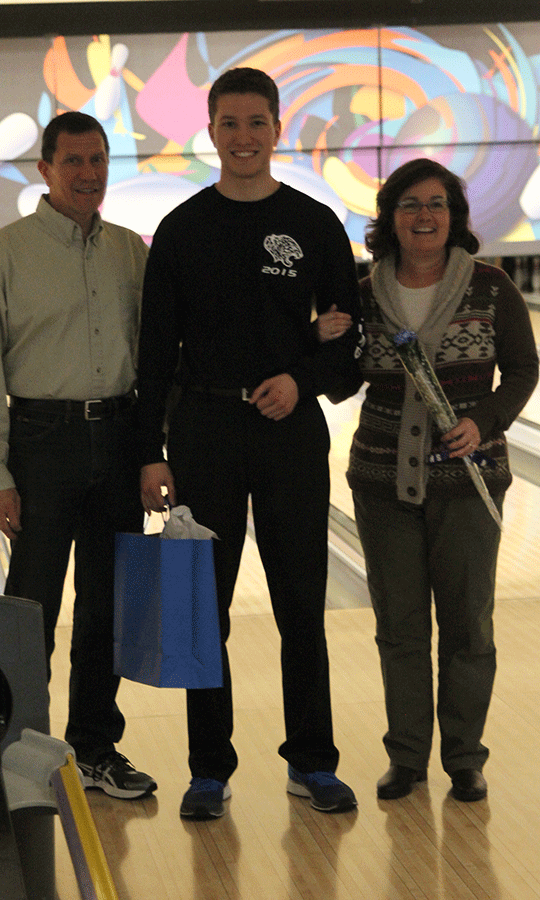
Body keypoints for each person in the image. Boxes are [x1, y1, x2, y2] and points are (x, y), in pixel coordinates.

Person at [136, 67, 363, 820]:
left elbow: (348, 340)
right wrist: (150, 449)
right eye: (229, 123)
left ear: (276, 128)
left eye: (256, 122)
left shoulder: (314, 223)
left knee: (302, 600)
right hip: (202, 430)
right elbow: (152, 354)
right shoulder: (181, 229)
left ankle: (312, 761)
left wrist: (302, 380)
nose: (243, 137)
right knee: (204, 606)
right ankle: (209, 769)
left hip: (288, 429)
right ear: (210, 132)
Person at [318, 158, 538, 801]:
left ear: (455, 217)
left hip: (469, 479)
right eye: (410, 204)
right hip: (383, 480)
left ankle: (465, 757)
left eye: (437, 204)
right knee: (401, 625)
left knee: (469, 624)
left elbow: (523, 371)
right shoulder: (364, 296)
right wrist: (324, 340)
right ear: (389, 217)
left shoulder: (493, 288)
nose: (424, 215)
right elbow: (338, 385)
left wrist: (486, 421)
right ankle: (408, 758)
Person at [0, 111, 157, 800]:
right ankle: (16, 747)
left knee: (108, 606)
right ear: (44, 169)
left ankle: (97, 748)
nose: (88, 174)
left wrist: (153, 451)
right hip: (41, 441)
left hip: (121, 437)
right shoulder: (1, 253)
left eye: (98, 160)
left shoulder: (131, 251)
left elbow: (155, 363)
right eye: (73, 161)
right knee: (31, 607)